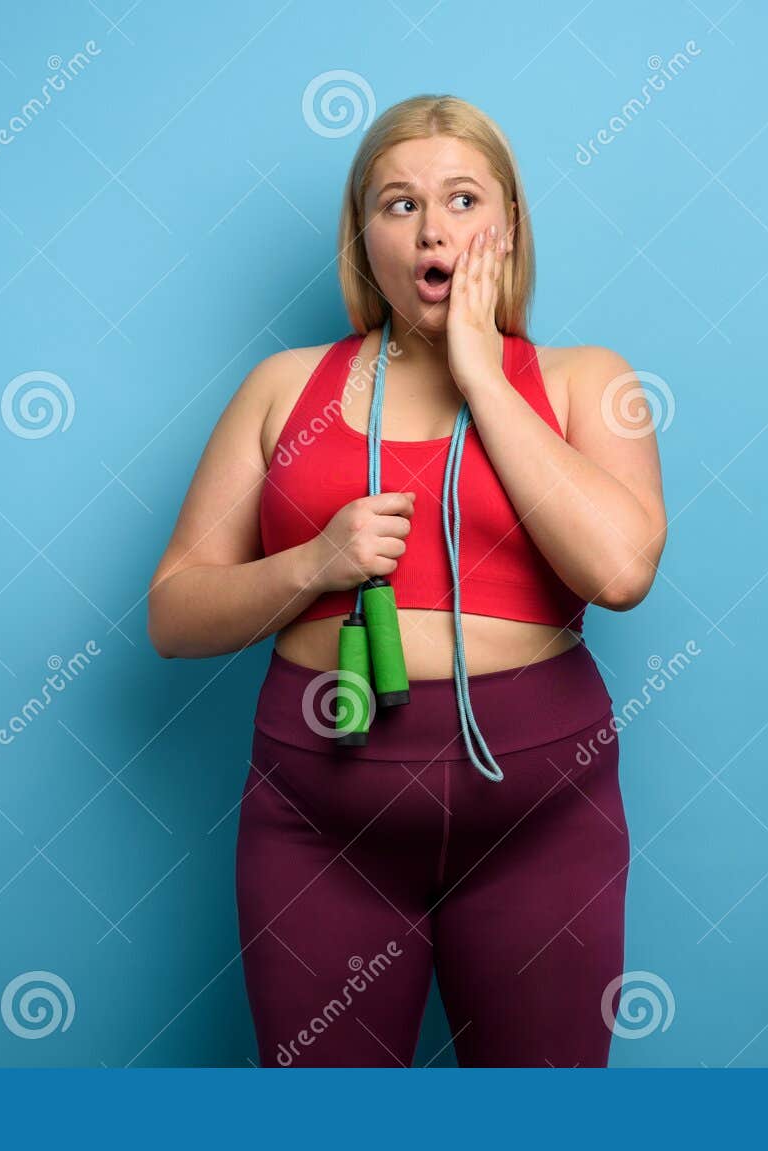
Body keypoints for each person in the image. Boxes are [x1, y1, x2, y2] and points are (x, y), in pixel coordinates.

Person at [147, 94, 667, 1066]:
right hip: (318, 825)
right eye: (398, 204)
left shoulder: (585, 380)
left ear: (506, 229)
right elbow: (173, 614)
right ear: (364, 239)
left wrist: (480, 375)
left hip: (540, 823)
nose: (433, 228)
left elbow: (620, 570)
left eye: (463, 199)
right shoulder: (280, 388)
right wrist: (312, 564)